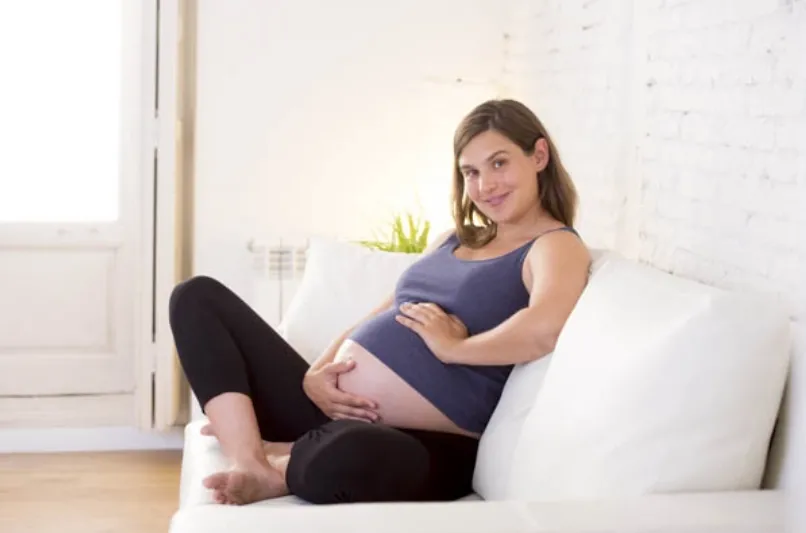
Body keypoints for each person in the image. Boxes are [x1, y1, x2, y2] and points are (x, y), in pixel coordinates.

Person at [168, 98, 592, 506]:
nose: (485, 186)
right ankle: (252, 460)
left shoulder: (553, 247)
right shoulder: (451, 240)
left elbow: (544, 329)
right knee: (195, 297)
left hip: (426, 441)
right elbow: (383, 312)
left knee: (343, 455)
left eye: (499, 163)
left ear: (538, 156)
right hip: (331, 412)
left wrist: (454, 348)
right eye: (471, 172)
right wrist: (317, 374)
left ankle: (282, 455)